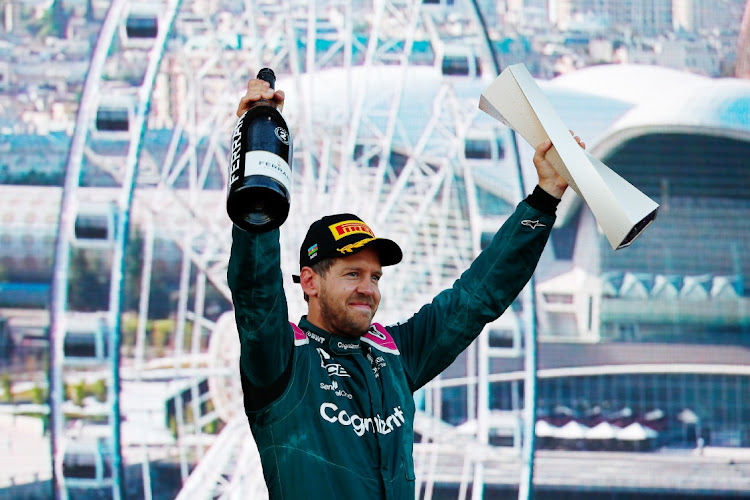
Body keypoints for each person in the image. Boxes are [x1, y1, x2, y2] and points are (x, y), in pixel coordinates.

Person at [228, 77, 584, 499]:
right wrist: (259, 158)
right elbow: (255, 290)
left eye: (375, 277)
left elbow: (475, 299)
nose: (369, 289)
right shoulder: (280, 360)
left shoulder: (394, 354)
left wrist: (544, 199)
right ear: (310, 282)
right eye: (352, 274)